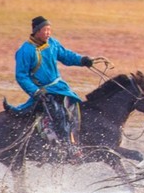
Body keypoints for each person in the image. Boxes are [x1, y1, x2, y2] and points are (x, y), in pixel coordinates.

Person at [12, 16, 98, 151]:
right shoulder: (25, 51)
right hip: (43, 91)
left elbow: (66, 56)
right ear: (36, 31)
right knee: (58, 113)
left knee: (75, 108)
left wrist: (82, 60)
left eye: (49, 30)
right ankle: (66, 146)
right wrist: (35, 91)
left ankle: (76, 139)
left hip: (60, 87)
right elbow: (21, 76)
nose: (48, 33)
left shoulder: (52, 43)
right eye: (45, 30)